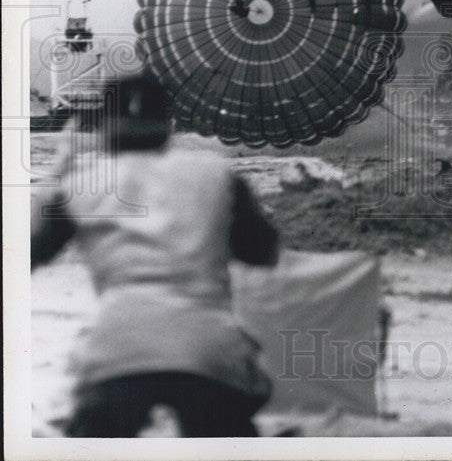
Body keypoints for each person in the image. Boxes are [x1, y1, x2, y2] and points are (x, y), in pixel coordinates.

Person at [31, 74, 280, 437]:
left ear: (101, 125)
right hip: (211, 350)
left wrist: (58, 171)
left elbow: (24, 252)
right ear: (169, 124)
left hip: (117, 349)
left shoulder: (79, 182)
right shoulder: (217, 175)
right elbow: (263, 253)